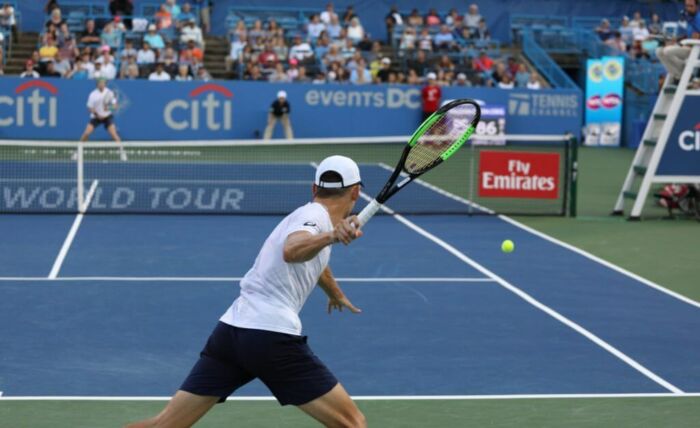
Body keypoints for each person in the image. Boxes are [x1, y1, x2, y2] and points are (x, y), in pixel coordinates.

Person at [127, 155, 366, 428]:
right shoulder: (315, 217)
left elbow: (314, 256)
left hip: (231, 333)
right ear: (357, 191)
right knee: (352, 423)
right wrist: (332, 235)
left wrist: (334, 292)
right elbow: (293, 250)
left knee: (164, 425)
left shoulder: (306, 216)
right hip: (269, 336)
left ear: (314, 188)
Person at [80, 78, 127, 161]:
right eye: (99, 83)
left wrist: (108, 107)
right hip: (96, 117)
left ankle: (122, 153)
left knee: (114, 134)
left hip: (107, 117)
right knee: (86, 133)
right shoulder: (92, 94)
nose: (101, 84)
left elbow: (115, 106)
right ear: (97, 84)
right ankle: (78, 152)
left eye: (103, 83)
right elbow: (90, 108)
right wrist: (97, 115)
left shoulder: (110, 93)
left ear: (105, 84)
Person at [657, 0, 700, 81]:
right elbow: (687, 35)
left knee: (667, 52)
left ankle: (684, 75)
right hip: (686, 46)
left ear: (697, 6)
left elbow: (695, 37)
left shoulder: (698, 18)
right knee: (659, 51)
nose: (688, 8)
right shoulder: (689, 18)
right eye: (687, 6)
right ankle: (679, 74)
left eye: (691, 6)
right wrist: (674, 40)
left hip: (695, 49)